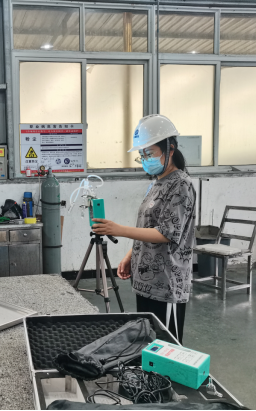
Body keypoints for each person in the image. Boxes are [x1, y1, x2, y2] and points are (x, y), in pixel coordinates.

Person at [91, 114, 196, 344]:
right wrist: (131, 255)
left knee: (167, 346)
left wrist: (118, 229)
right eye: (143, 155)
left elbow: (166, 233)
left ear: (170, 149)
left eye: (150, 153)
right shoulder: (157, 184)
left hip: (166, 283)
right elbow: (148, 227)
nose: (146, 159)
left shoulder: (181, 184)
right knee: (149, 342)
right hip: (147, 281)